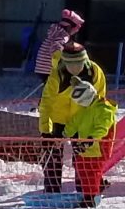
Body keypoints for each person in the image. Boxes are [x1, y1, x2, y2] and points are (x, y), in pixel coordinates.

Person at [39, 42, 107, 193]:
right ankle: (52, 190)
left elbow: (100, 100)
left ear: (85, 60)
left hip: (81, 119)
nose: (75, 68)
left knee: (83, 155)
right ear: (64, 62)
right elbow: (46, 103)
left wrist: (94, 123)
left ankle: (84, 188)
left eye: (79, 64)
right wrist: (46, 130)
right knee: (52, 155)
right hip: (57, 119)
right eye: (71, 64)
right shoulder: (57, 74)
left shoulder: (95, 73)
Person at [61, 78, 118, 208]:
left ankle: (91, 198)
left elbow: (103, 127)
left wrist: (91, 139)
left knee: (91, 171)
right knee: (80, 166)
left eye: (81, 100)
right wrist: (65, 133)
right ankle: (98, 185)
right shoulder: (85, 109)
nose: (80, 104)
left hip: (98, 147)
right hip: (86, 147)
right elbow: (75, 122)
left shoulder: (104, 108)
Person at [35, 10, 84, 85]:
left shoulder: (56, 31)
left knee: (49, 88)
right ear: (69, 27)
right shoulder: (63, 36)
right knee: (55, 89)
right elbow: (56, 50)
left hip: (40, 66)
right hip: (48, 69)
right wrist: (61, 63)